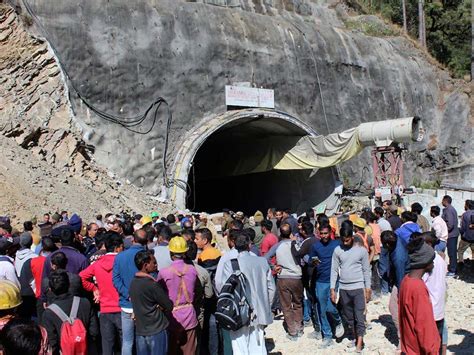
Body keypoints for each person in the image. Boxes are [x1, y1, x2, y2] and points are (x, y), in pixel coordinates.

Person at [218, 232, 275, 354]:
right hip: (260, 311)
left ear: (234, 245)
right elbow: (272, 288)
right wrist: (266, 306)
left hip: (239, 312)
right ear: (249, 245)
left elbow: (224, 288)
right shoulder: (262, 262)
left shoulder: (231, 264)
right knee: (259, 346)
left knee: (240, 347)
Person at [80, 232, 124, 355]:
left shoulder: (98, 263)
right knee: (125, 345)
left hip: (105, 309)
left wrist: (94, 288)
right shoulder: (122, 262)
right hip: (122, 308)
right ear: (118, 246)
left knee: (107, 346)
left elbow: (81, 277)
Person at [330, 220, 371, 352]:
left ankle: (359, 343)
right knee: (349, 317)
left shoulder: (361, 251)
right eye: (343, 240)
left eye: (347, 240)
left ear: (352, 238)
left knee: (359, 316)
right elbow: (334, 270)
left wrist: (368, 288)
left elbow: (366, 270)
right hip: (344, 289)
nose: (345, 243)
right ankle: (355, 337)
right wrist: (333, 289)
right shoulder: (337, 250)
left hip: (358, 288)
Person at [398, 238, 440, 354]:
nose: (433, 263)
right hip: (418, 349)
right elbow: (423, 326)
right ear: (425, 262)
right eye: (432, 260)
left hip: (409, 347)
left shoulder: (406, 280)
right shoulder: (418, 289)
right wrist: (432, 350)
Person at [41, 270, 99, 355]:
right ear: (69, 285)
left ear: (50, 289)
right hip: (86, 350)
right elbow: (94, 331)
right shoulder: (85, 303)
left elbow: (52, 342)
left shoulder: (48, 313)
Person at [158, 236, 198, 355]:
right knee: (190, 351)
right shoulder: (192, 270)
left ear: (171, 253)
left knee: (172, 350)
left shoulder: (164, 272)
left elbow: (159, 293)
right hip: (190, 314)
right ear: (185, 253)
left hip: (172, 316)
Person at [129, 250, 173, 355]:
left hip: (141, 330)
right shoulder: (152, 284)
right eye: (154, 262)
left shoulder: (133, 282)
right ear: (145, 265)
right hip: (156, 329)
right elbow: (169, 305)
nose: (156, 264)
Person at [308, 222, 344, 347]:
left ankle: (338, 321)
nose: (324, 236)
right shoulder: (315, 246)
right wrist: (313, 263)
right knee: (322, 310)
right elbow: (310, 261)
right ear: (318, 234)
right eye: (321, 233)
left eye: (326, 233)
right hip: (320, 281)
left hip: (335, 280)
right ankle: (327, 335)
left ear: (330, 233)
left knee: (331, 306)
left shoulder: (337, 244)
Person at [112, 228, 147, 355]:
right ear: (146, 241)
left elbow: (115, 279)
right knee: (141, 340)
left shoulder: (120, 256)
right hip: (144, 306)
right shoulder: (148, 257)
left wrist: (127, 294)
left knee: (127, 342)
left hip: (126, 305)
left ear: (133, 239)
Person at [274, 223, 303, 340]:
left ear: (280, 233)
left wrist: (273, 266)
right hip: (296, 277)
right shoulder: (296, 244)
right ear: (291, 232)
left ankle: (292, 331)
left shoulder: (277, 246)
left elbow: (265, 258)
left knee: (286, 305)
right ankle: (299, 327)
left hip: (283, 278)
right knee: (298, 303)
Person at [419, 232, 447, 354]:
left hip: (429, 308)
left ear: (429, 244)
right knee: (438, 341)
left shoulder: (428, 262)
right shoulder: (440, 260)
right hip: (439, 307)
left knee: (428, 344)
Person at [441, 195, 459, 276]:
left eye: (442, 200)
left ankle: (452, 270)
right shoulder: (451, 209)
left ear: (445, 200)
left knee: (451, 253)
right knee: (452, 252)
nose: (442, 202)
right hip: (453, 234)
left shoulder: (448, 210)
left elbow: (450, 224)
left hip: (451, 235)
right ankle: (453, 268)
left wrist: (443, 230)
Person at [458, 199, 474, 266]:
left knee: (460, 251)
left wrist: (462, 234)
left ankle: (461, 266)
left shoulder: (465, 214)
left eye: (465, 205)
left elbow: (462, 228)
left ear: (467, 206)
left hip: (466, 238)